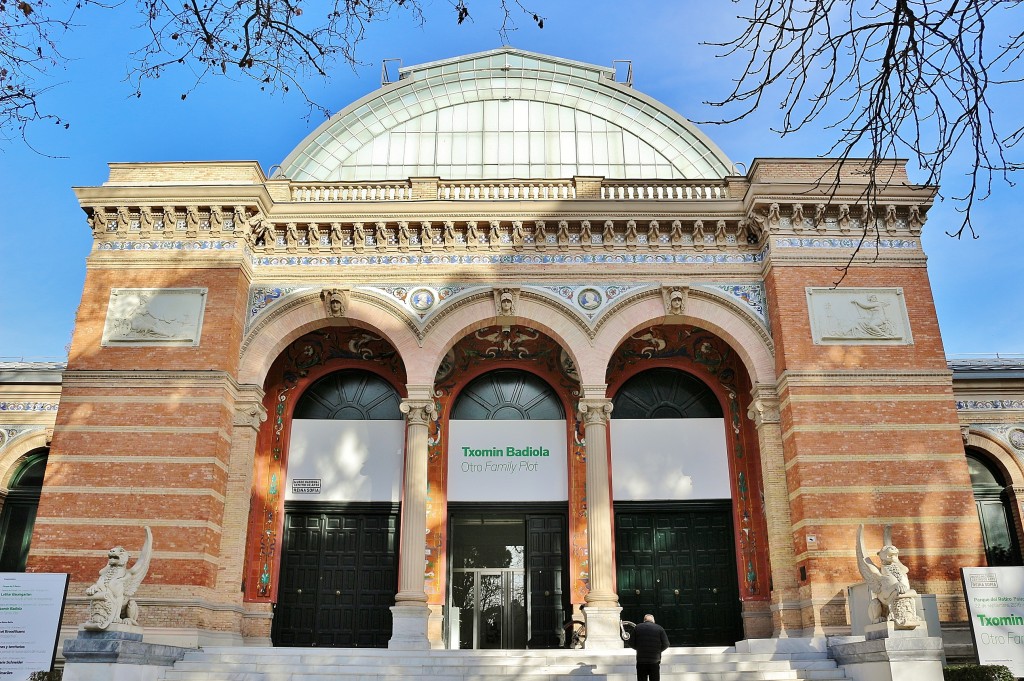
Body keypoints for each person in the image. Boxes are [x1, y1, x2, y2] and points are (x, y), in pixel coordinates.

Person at [627, 614, 669, 681]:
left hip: (641, 661)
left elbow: (630, 643)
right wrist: (658, 650)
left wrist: (639, 649)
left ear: (644, 620)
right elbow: (666, 644)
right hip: (654, 661)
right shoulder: (659, 628)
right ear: (653, 620)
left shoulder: (637, 628)